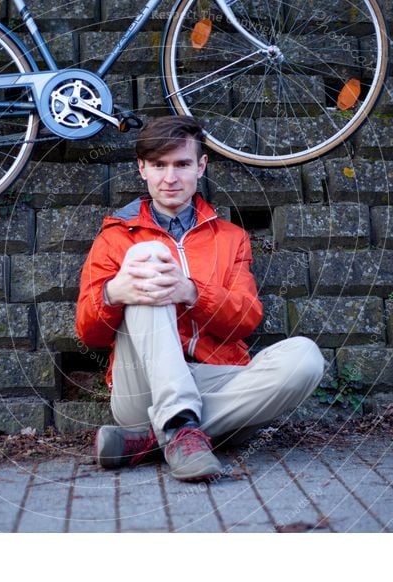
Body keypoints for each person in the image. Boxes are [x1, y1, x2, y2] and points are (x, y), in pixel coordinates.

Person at [75, 116, 325, 482]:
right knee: (149, 270)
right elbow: (89, 334)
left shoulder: (231, 238)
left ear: (200, 166)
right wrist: (114, 294)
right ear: (142, 169)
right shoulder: (114, 239)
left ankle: (158, 437)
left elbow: (246, 319)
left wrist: (191, 292)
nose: (170, 178)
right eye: (159, 166)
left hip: (216, 378)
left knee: (305, 358)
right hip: (141, 389)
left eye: (182, 164)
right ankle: (178, 424)